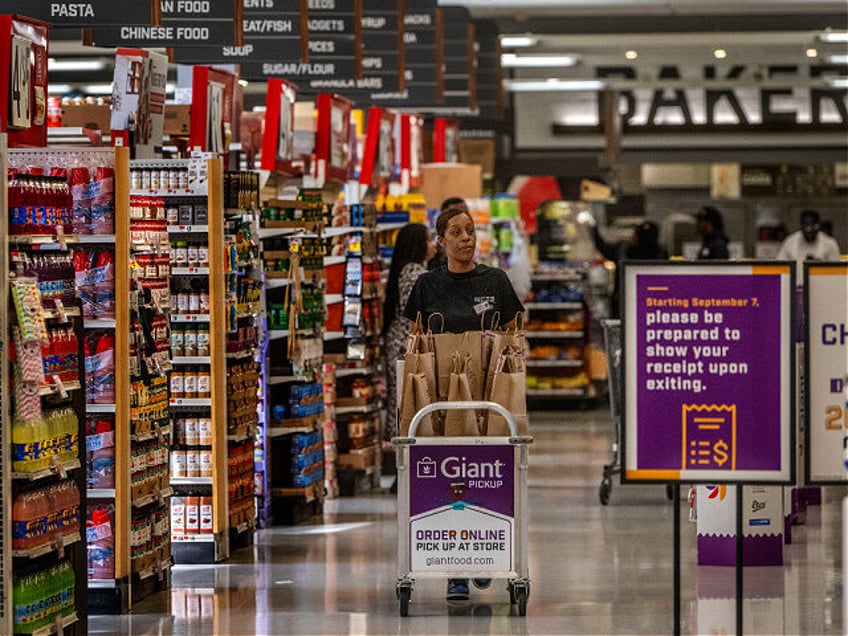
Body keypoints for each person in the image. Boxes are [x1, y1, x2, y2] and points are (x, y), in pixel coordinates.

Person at [403, 202, 525, 602]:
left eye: (470, 231)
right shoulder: (427, 285)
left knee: (488, 469)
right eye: (455, 232)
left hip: (490, 394)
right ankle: (456, 570)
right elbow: (417, 341)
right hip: (440, 397)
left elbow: (512, 336)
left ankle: (484, 557)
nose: (466, 238)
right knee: (447, 475)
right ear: (440, 241)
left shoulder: (496, 281)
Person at [382, 223, 436, 450]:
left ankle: (400, 460)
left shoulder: (405, 270)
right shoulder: (415, 273)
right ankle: (401, 459)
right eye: (429, 239)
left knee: (400, 399)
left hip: (399, 341)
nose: (433, 245)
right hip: (407, 344)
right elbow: (418, 312)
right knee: (406, 402)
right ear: (418, 245)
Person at [592, 220, 668, 317]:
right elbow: (604, 247)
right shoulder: (624, 249)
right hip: (627, 304)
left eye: (636, 234)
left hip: (643, 305)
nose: (632, 236)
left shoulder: (658, 255)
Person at [776, 209, 841, 269]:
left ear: (818, 227)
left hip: (823, 280)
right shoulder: (790, 242)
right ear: (801, 228)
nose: (810, 235)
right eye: (807, 231)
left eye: (813, 230)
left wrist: (819, 265)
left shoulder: (830, 243)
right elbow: (779, 266)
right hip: (794, 280)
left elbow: (836, 271)